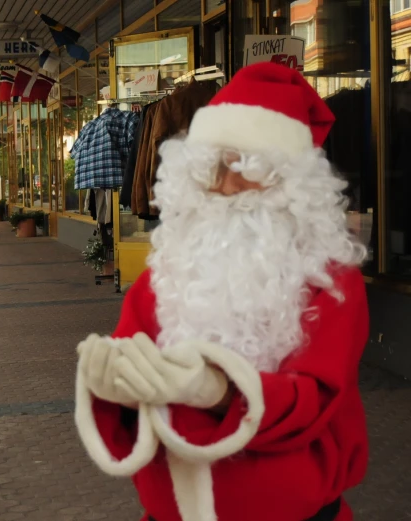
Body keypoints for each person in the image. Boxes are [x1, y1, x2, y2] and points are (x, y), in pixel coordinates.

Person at [75, 62, 368, 521]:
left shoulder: (329, 278)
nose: (228, 185)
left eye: (247, 167)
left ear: (291, 184)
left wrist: (221, 390)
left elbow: (316, 398)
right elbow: (133, 362)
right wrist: (114, 383)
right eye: (215, 166)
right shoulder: (168, 269)